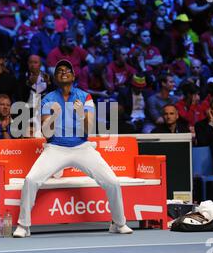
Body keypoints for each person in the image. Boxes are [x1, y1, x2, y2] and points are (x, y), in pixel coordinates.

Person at [12, 59, 133, 238]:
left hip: (81, 147)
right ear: (55, 78)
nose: (63, 72)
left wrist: (80, 113)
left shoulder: (85, 97)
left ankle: (118, 223)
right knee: (31, 180)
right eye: (59, 70)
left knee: (112, 182)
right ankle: (24, 225)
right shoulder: (48, 99)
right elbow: (46, 132)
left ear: (74, 76)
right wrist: (54, 117)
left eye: (67, 70)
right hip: (56, 147)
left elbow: (88, 129)